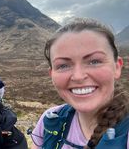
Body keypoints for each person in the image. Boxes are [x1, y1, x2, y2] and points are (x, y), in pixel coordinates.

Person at [31, 18, 129, 148]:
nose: (78, 76)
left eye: (94, 61)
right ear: (52, 74)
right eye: (63, 65)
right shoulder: (50, 119)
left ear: (117, 67)